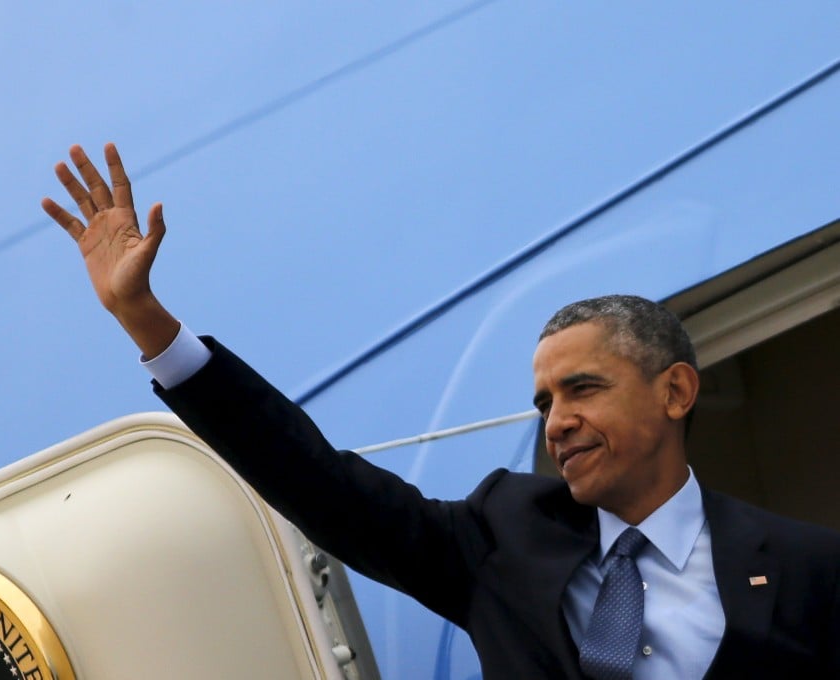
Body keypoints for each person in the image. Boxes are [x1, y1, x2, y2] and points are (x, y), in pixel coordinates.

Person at [43, 143, 840, 679]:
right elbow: (321, 485)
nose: (555, 421)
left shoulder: (810, 567)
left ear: (674, 392)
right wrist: (148, 320)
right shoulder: (501, 534)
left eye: (583, 388)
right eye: (543, 400)